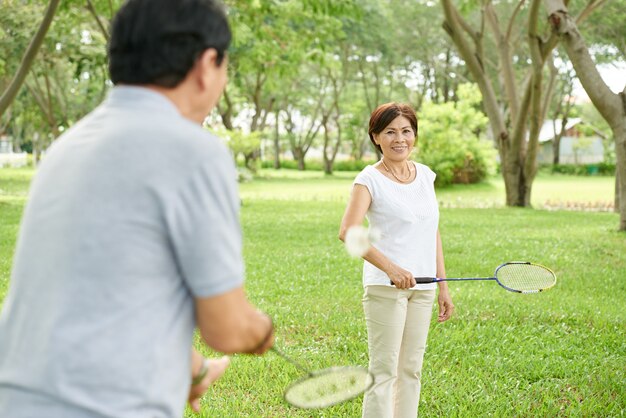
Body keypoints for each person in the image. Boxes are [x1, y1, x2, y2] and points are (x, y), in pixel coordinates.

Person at [0, 0, 274, 417]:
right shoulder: (191, 151)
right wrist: (261, 331)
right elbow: (227, 328)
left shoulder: (69, 147)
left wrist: (193, 369)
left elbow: (101, 294)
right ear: (206, 64)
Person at [339, 102, 454, 418]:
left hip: (424, 288)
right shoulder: (369, 179)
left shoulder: (425, 176)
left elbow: (432, 233)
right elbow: (348, 232)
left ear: (414, 135)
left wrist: (442, 286)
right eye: (390, 132)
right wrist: (392, 269)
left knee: (411, 370)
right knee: (384, 370)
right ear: (376, 137)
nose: (399, 139)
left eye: (406, 131)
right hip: (385, 288)